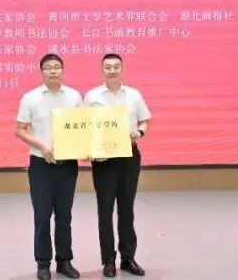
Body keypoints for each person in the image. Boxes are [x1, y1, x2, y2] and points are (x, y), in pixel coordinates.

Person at [16, 53, 83, 280]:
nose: (53, 70)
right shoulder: (31, 98)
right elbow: (20, 130)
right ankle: (43, 263)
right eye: (47, 67)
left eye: (56, 66)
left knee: (64, 216)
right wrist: (42, 146)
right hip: (41, 166)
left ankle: (64, 261)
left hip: (67, 165)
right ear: (41, 71)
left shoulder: (74, 96)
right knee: (42, 216)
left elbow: (82, 127)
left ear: (62, 70)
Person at [85, 53, 151, 277]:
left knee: (126, 208)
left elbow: (144, 121)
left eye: (116, 67)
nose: (112, 70)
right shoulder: (92, 96)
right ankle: (108, 260)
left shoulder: (133, 94)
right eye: (107, 67)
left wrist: (139, 132)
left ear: (121, 68)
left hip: (129, 156)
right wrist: (91, 150)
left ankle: (128, 258)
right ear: (102, 69)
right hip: (103, 160)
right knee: (105, 210)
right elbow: (85, 127)